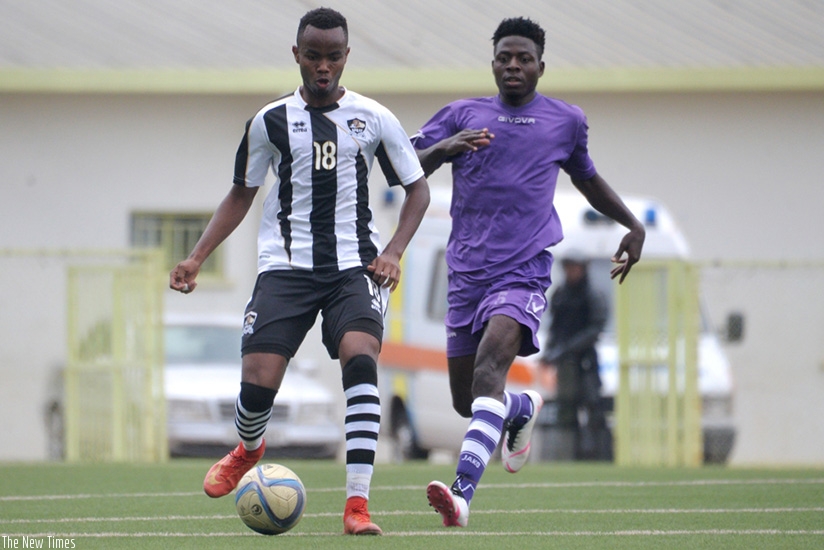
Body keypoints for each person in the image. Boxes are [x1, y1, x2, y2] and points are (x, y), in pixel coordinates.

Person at [169, 7, 430, 536]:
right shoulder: (269, 121)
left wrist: (395, 252)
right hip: (286, 268)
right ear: (297, 55)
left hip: (354, 268)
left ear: (346, 57)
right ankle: (249, 447)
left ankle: (357, 507)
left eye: (334, 56)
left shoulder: (374, 118)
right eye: (313, 56)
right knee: (256, 383)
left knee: (361, 359)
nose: (324, 66)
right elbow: (241, 192)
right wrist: (197, 257)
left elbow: (418, 189)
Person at [410, 16, 645, 528]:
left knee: (489, 372)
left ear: (541, 65)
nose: (513, 66)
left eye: (524, 58)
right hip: (466, 272)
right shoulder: (461, 114)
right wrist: (441, 150)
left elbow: (588, 179)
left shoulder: (565, 120)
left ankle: (461, 496)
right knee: (467, 399)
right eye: (504, 57)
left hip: (524, 269)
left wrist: (631, 224)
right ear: (492, 62)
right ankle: (520, 409)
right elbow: (404, 164)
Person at [541, 251, 611, 461]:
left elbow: (595, 329)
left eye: (575, 268)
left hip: (586, 361)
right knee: (566, 411)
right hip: (566, 365)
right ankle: (569, 456)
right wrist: (549, 353)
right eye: (568, 268)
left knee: (593, 409)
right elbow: (554, 327)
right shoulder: (560, 294)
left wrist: (567, 348)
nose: (572, 273)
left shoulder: (593, 295)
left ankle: (599, 457)